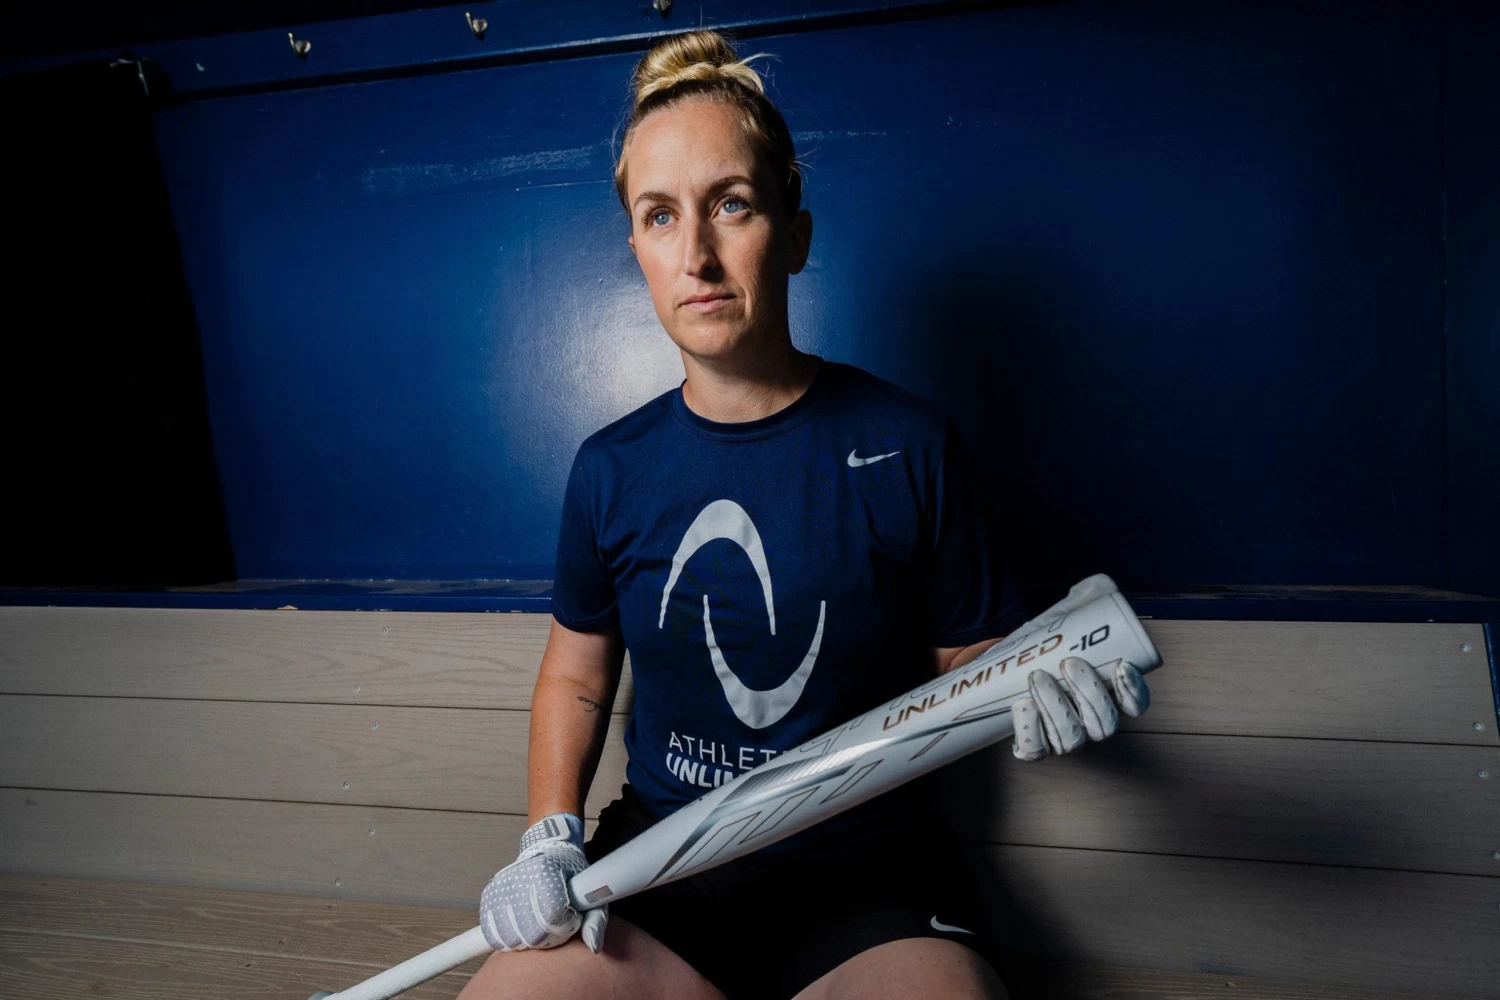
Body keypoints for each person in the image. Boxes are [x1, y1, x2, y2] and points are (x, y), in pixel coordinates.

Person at [457, 28, 1149, 1000]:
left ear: (794, 234)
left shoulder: (908, 442)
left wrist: (1035, 666)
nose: (697, 254)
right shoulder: (611, 468)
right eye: (661, 216)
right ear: (637, 251)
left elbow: (968, 652)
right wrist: (549, 836)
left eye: (731, 204)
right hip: (662, 867)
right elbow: (575, 676)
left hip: (866, 872)